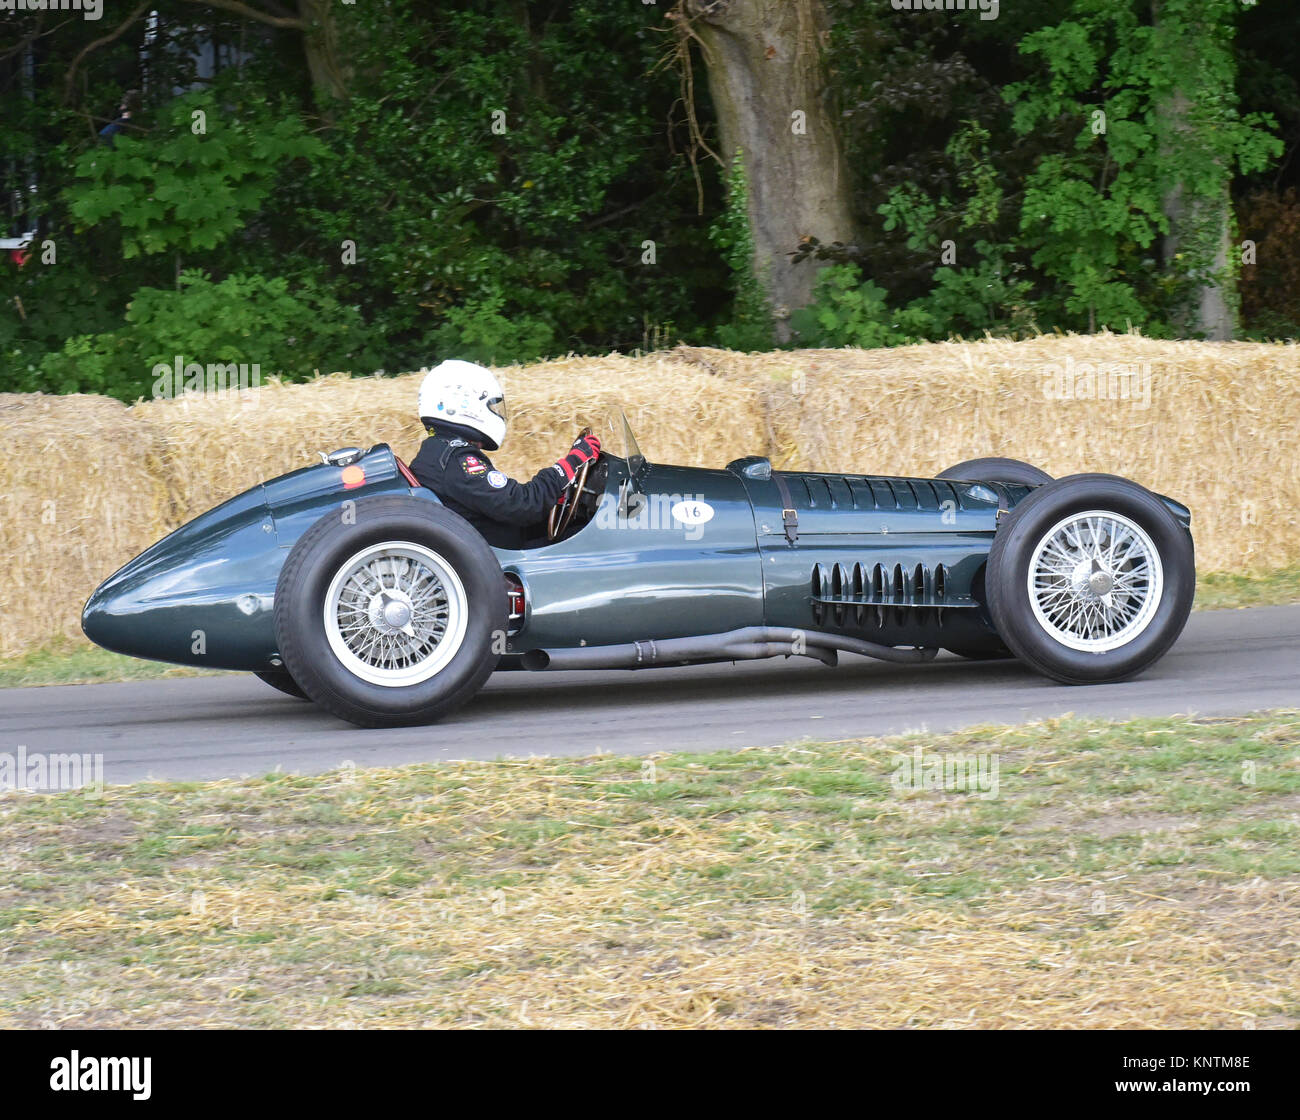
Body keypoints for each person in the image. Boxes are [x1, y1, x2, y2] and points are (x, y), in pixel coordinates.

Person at [409, 359, 601, 548]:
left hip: (490, 542)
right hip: (496, 560)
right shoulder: (456, 460)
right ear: (464, 403)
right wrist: (569, 465)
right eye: (491, 406)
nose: (496, 413)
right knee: (592, 538)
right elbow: (522, 505)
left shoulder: (438, 451)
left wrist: (557, 494)